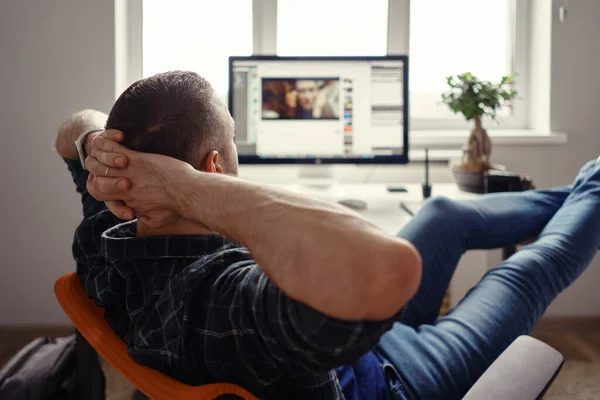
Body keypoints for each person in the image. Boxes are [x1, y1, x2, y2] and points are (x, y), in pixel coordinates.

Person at [55, 71, 600, 400]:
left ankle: (585, 187)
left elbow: (69, 130)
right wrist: (188, 187)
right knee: (528, 270)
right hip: (390, 378)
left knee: (444, 214)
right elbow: (385, 266)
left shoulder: (109, 235)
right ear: (212, 167)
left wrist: (95, 143)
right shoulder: (228, 303)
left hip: (350, 333)